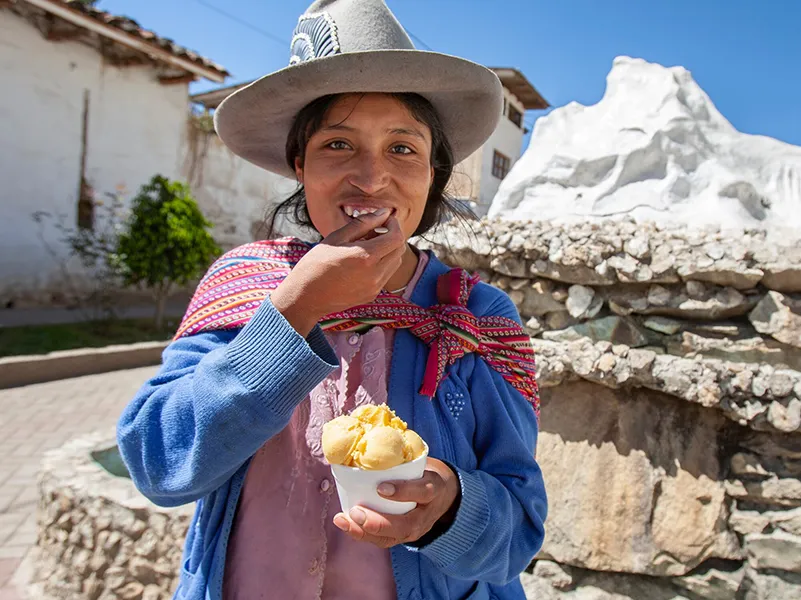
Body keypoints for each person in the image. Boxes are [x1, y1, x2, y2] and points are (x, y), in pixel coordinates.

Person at [115, 1, 547, 598]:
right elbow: (159, 464)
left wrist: (451, 506)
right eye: (338, 145)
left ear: (432, 172)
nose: (370, 179)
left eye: (403, 149)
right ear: (300, 163)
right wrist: (292, 314)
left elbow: (521, 527)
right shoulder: (246, 285)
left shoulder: (476, 317)